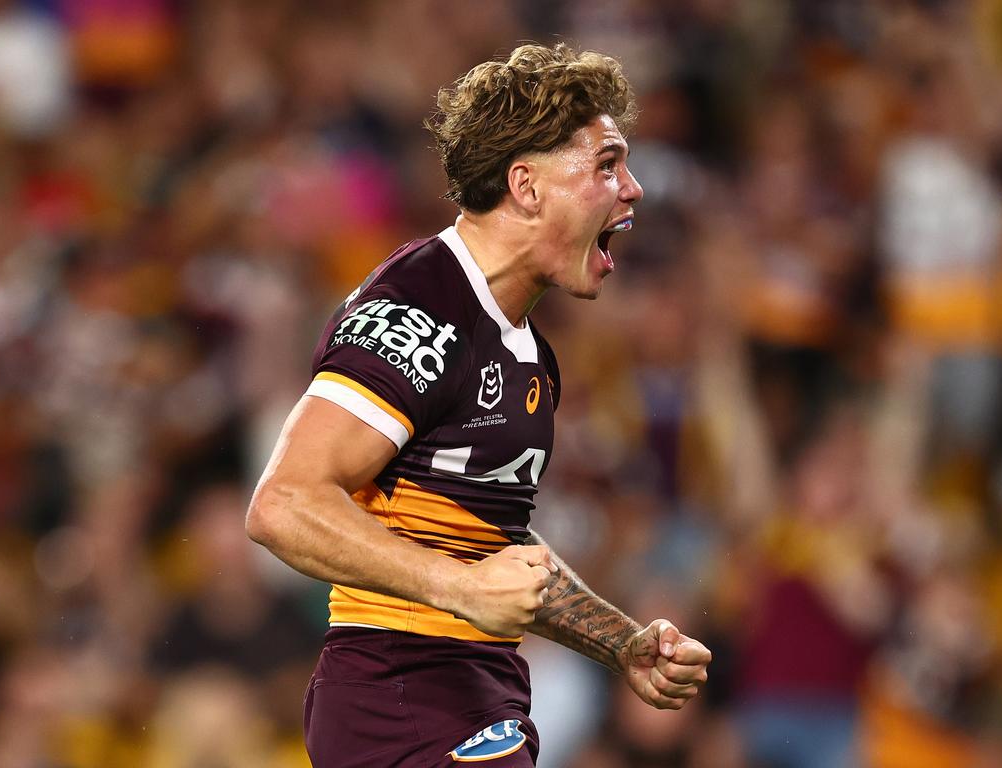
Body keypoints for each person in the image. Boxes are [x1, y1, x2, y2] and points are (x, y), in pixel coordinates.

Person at [246, 42, 712, 767]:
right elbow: (283, 503)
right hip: (396, 695)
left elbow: (493, 542)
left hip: (475, 693)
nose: (634, 189)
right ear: (526, 186)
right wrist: (457, 586)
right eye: (607, 164)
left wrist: (619, 642)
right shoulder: (418, 310)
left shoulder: (526, 350)